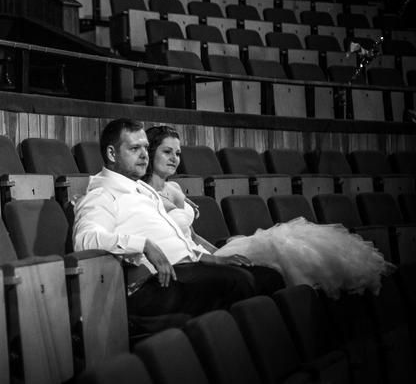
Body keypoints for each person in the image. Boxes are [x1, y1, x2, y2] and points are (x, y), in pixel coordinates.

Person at [142, 124, 395, 300]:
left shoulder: (176, 188)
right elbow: (176, 241)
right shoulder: (142, 194)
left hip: (205, 252)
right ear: (151, 152)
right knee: (273, 257)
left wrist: (217, 253)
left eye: (178, 153)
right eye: (167, 152)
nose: (175, 158)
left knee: (284, 246)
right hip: (189, 260)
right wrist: (213, 259)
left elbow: (193, 235)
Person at [72, 118, 285, 318]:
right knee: (239, 282)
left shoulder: (141, 189)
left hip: (185, 267)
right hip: (154, 283)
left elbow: (178, 243)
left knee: (269, 277)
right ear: (112, 153)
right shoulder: (102, 194)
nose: (144, 155)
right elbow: (85, 240)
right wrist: (143, 244)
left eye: (146, 147)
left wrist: (215, 259)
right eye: (135, 148)